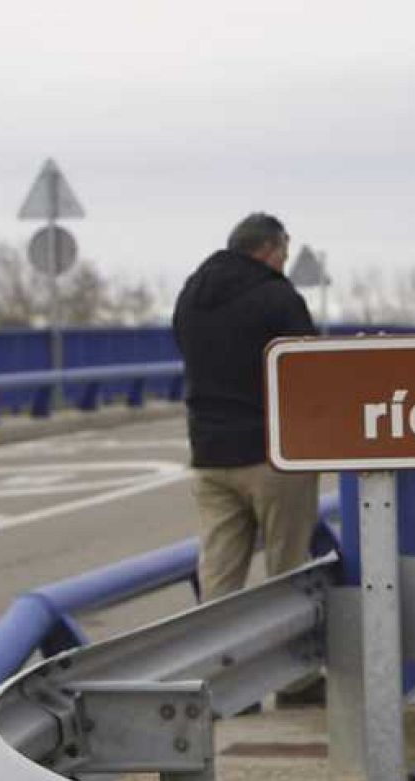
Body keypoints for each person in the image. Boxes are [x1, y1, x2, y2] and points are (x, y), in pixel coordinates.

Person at [172, 213, 318, 600]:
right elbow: (312, 373)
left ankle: (216, 656)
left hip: (210, 456)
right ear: (270, 249)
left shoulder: (191, 296)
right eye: (284, 252)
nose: (284, 263)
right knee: (287, 577)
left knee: (218, 578)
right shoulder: (278, 298)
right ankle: (290, 658)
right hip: (272, 456)